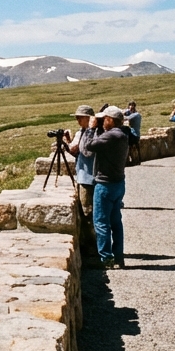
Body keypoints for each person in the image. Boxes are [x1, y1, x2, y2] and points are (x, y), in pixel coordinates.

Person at [82, 105, 130, 269]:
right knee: (116, 221)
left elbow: (88, 146)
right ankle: (119, 256)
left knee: (101, 222)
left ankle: (106, 259)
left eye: (104, 119)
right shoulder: (122, 135)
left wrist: (90, 128)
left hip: (105, 185)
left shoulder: (111, 136)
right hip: (118, 183)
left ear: (111, 120)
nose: (102, 122)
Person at [63, 105, 98, 254]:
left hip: (89, 177)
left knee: (88, 212)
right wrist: (67, 142)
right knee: (85, 212)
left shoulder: (94, 133)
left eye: (80, 117)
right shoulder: (81, 132)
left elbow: (87, 152)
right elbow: (75, 151)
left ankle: (92, 248)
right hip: (82, 175)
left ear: (89, 118)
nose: (77, 120)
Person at [123, 101, 142, 166]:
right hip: (136, 134)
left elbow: (125, 118)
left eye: (132, 106)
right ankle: (136, 160)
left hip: (135, 135)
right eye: (130, 106)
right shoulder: (136, 114)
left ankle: (126, 160)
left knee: (124, 142)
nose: (131, 108)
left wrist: (123, 113)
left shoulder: (135, 115)